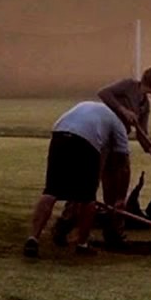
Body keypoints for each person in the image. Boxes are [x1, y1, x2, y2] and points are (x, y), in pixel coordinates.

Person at [24, 101, 130, 258]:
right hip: (85, 141)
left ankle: (33, 238)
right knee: (87, 197)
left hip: (59, 134)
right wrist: (121, 198)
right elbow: (124, 165)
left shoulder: (94, 107)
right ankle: (82, 244)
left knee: (51, 191)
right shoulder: (119, 126)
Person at [96, 67, 151, 245]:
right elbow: (104, 93)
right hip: (101, 137)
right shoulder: (128, 85)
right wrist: (123, 110)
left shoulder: (144, 104)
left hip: (119, 141)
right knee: (93, 181)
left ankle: (114, 230)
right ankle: (67, 222)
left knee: (120, 186)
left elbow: (142, 135)